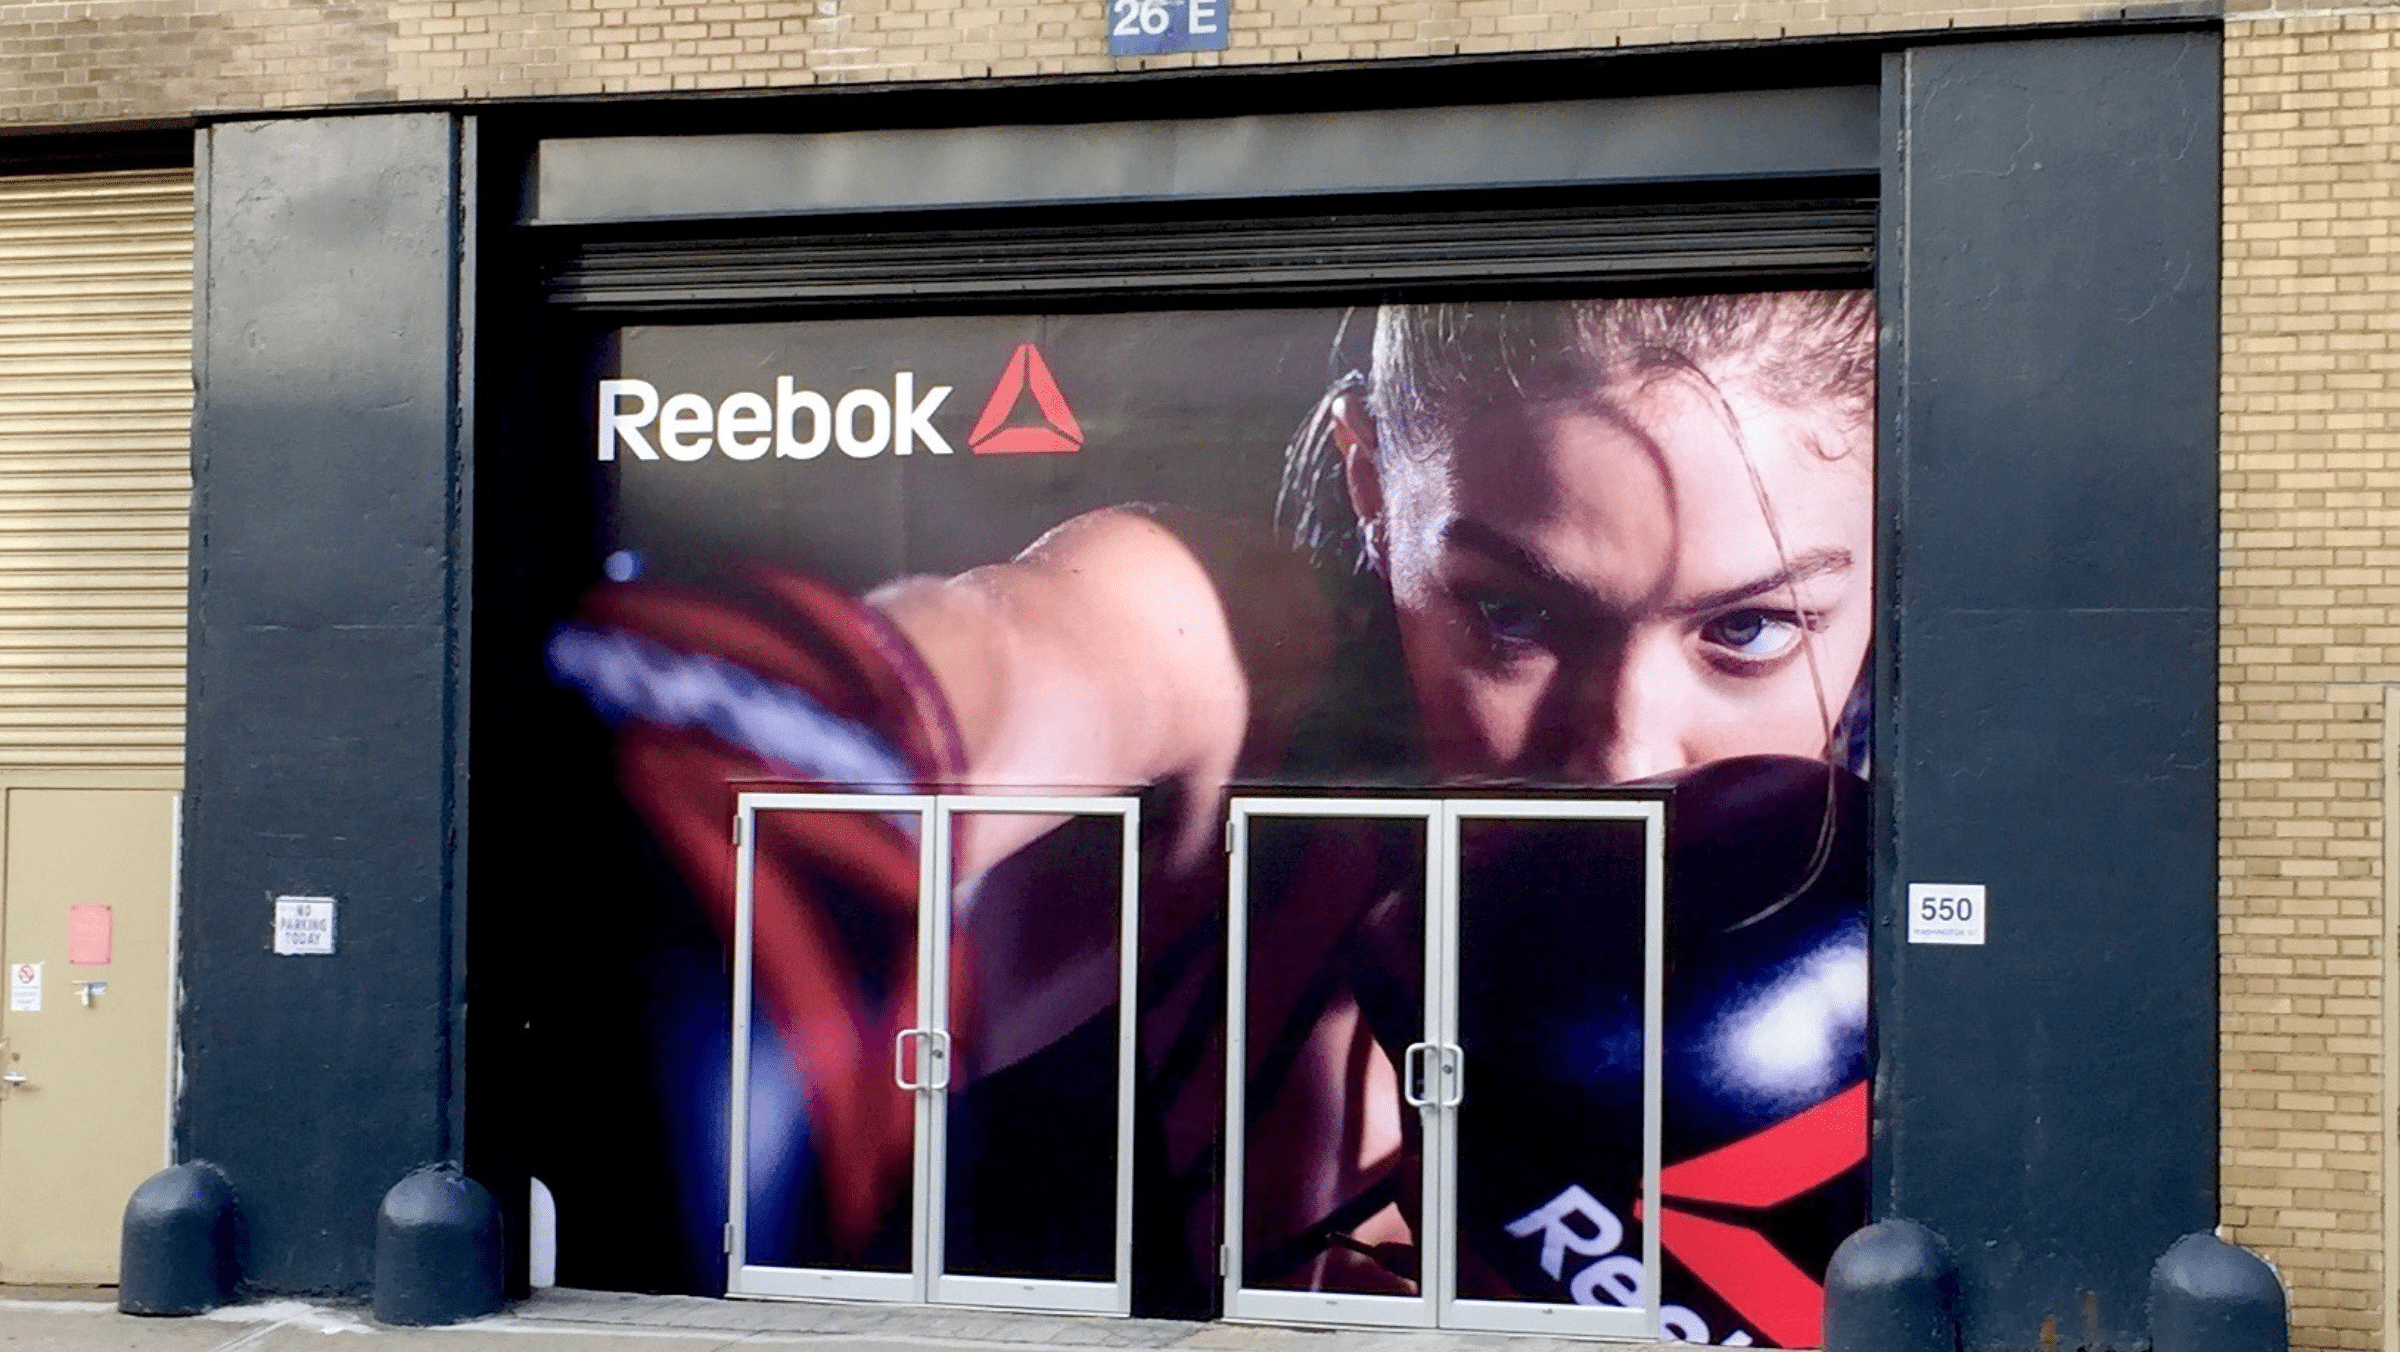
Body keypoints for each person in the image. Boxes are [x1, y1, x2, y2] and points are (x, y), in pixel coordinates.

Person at [548, 289, 1876, 1341]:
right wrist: (803, 747)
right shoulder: (1254, 673)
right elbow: (1036, 653)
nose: (1621, 753)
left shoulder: (1962, 905)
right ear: (1369, 485)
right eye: (1514, 615)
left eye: (1750, 630)